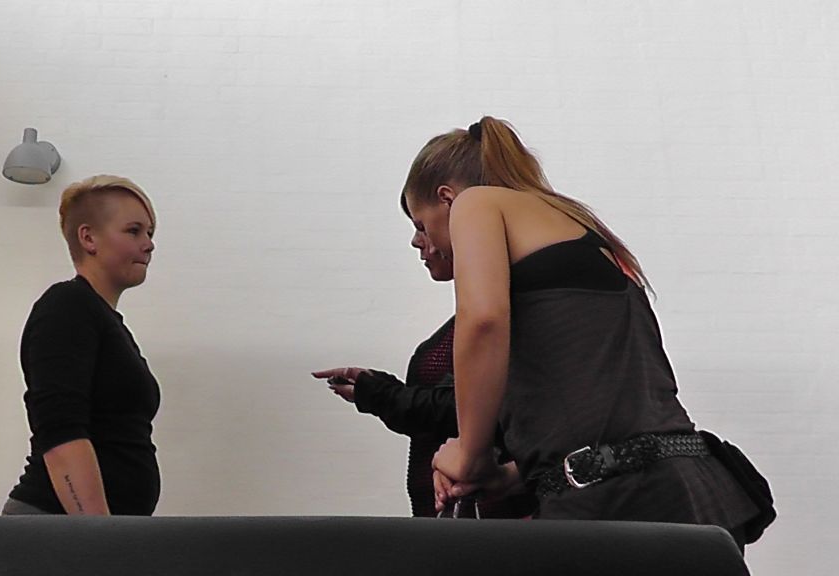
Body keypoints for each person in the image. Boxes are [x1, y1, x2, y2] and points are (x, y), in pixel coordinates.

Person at [404, 117, 760, 546]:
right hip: (689, 492)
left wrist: (470, 453)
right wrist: (511, 475)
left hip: (613, 506)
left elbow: (483, 321)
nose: (418, 241)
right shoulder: (577, 227)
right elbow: (609, 403)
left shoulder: (477, 203)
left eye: (420, 224)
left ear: (447, 198)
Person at [312, 204, 533, 518]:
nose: (417, 242)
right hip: (455, 514)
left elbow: (472, 406)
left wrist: (383, 395)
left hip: (495, 518)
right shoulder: (474, 324)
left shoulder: (504, 321)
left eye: (422, 227)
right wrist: (379, 391)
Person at [3, 175, 161, 516]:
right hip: (57, 526)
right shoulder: (67, 307)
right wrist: (97, 535)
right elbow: (61, 432)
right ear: (88, 237)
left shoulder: (106, 322)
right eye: (134, 231)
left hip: (91, 529)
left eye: (150, 233)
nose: (148, 244)